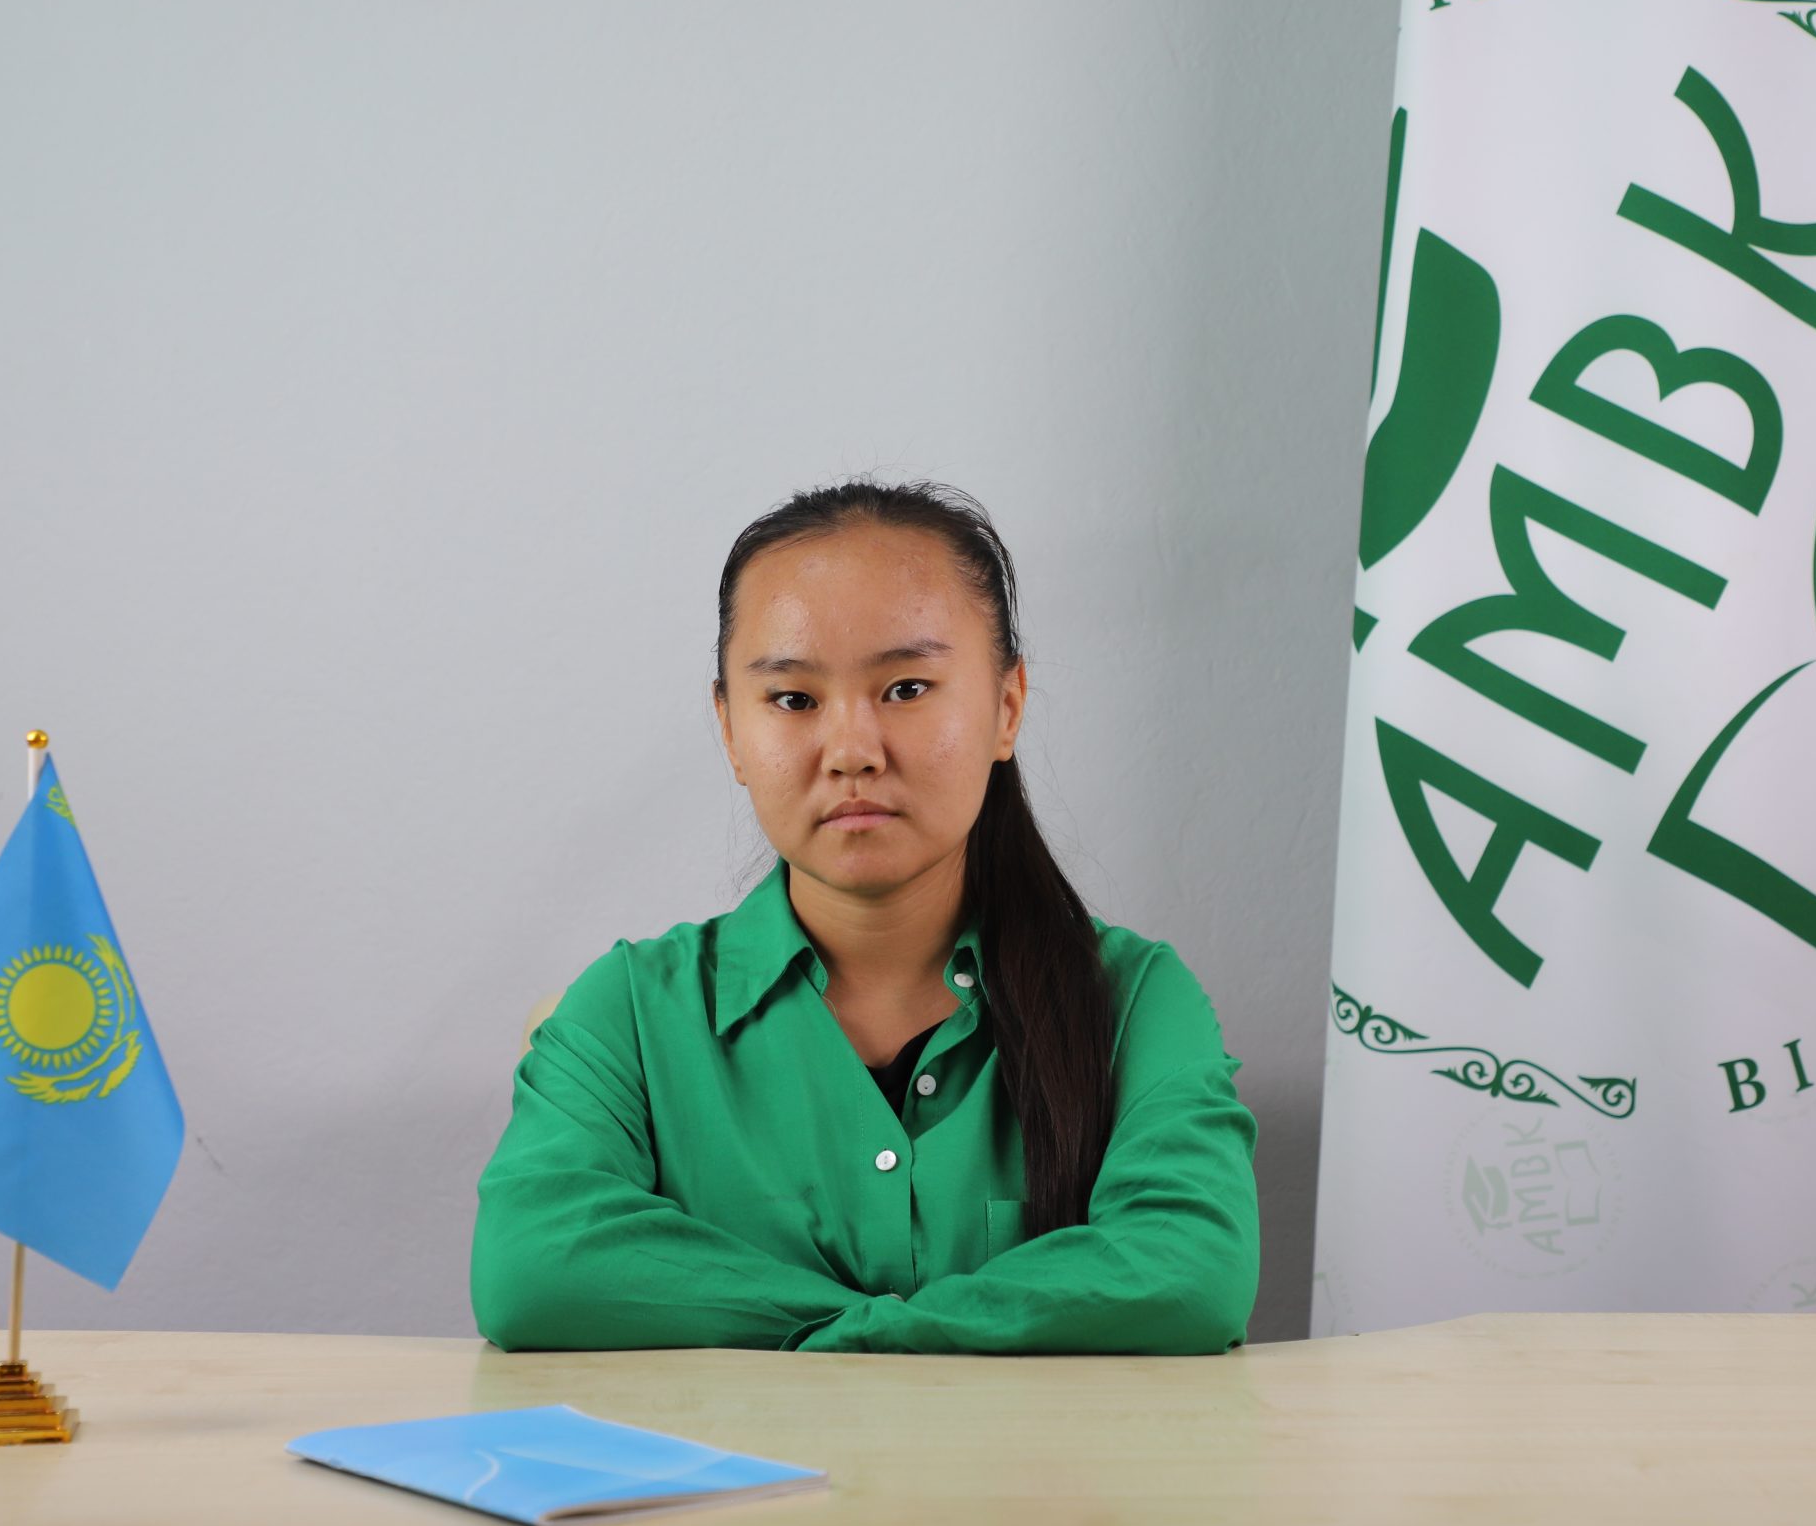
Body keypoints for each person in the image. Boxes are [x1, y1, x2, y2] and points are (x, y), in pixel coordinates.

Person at [469, 478, 1260, 1353]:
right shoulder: (628, 1014)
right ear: (730, 730)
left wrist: (845, 1333)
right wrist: (898, 1330)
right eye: (793, 699)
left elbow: (1192, 1266)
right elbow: (531, 1264)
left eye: (907, 687)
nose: (851, 751)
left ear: (1007, 707)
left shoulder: (1136, 1003)